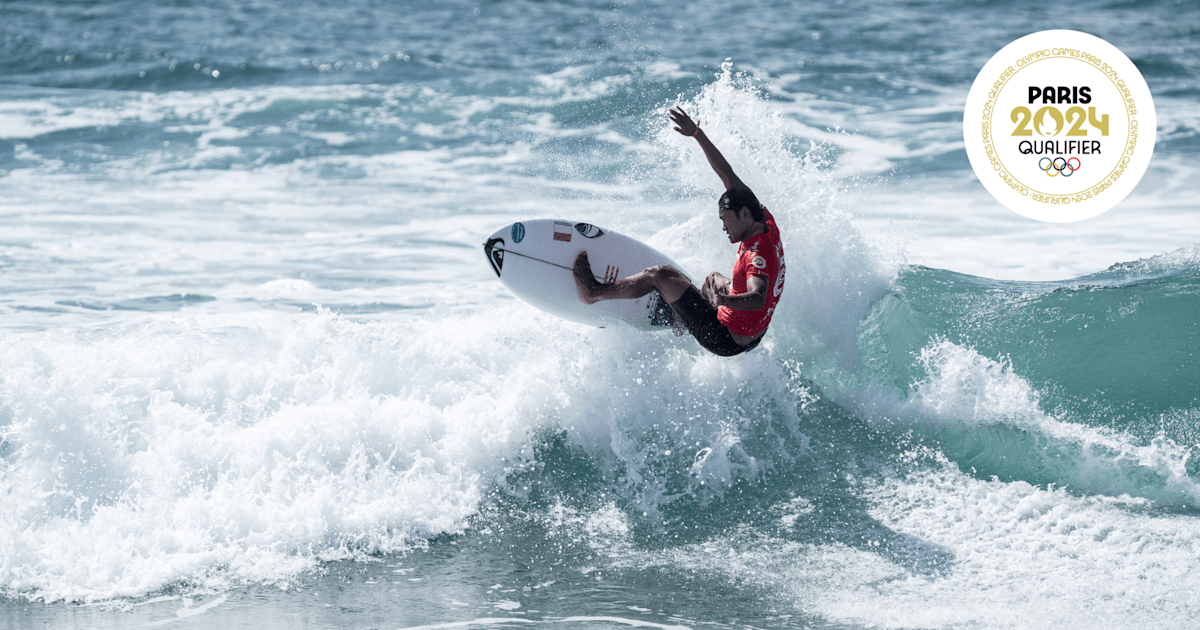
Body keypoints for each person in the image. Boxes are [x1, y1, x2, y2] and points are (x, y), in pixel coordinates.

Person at [573, 106, 785, 357]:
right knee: (712, 280)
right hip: (753, 335)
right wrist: (697, 134)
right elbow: (727, 175)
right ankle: (682, 315)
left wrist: (725, 302)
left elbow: (758, 296)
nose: (723, 226)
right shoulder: (763, 220)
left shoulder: (756, 256)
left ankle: (594, 293)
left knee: (659, 274)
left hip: (723, 338)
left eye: (726, 219)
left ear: (745, 214)